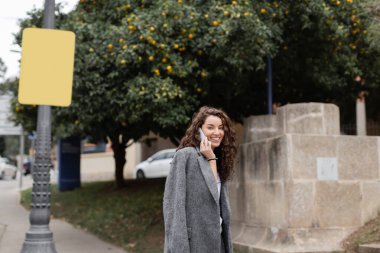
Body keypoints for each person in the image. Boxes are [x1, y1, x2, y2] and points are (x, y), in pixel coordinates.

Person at [163, 106, 237, 253]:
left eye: (221, 128)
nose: (217, 133)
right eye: (211, 127)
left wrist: (211, 158)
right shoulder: (185, 156)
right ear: (199, 130)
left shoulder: (219, 160)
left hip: (218, 244)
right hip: (193, 244)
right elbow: (174, 207)